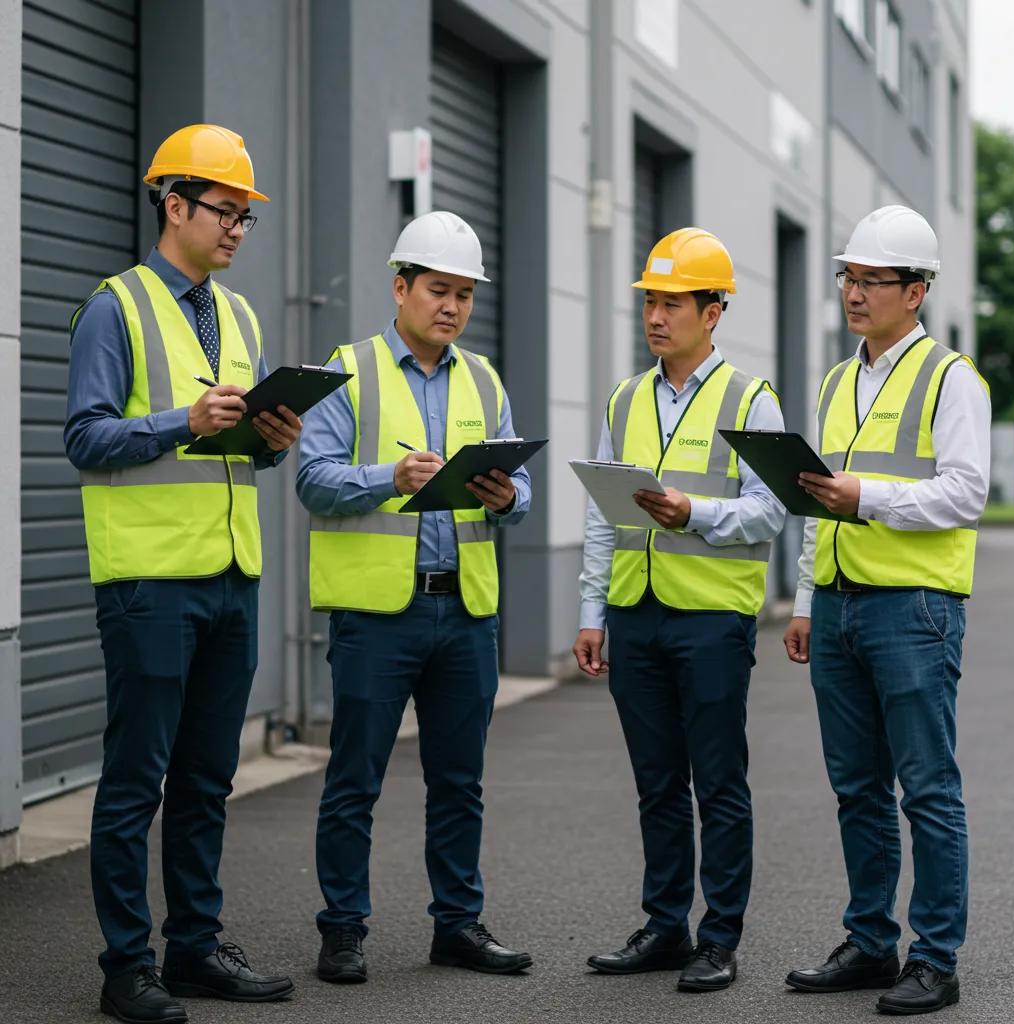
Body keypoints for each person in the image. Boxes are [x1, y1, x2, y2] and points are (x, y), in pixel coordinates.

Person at [65, 124, 301, 1023]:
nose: (239, 229)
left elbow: (233, 447)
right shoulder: (113, 308)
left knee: (207, 778)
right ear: (174, 206)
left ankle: (194, 947)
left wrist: (270, 442)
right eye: (226, 212)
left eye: (247, 217)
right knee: (136, 780)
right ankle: (127, 967)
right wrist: (180, 420)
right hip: (149, 579)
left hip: (232, 575)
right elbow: (85, 438)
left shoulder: (237, 314)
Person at [296, 210, 533, 983]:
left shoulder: (485, 379)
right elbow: (311, 479)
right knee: (354, 780)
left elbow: (520, 492)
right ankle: (342, 928)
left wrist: (505, 496)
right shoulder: (348, 368)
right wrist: (387, 479)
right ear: (400, 287)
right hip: (376, 614)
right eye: (439, 290)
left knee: (459, 782)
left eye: (465, 294)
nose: (453, 307)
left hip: (463, 612)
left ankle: (457, 924)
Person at [783, 205, 990, 1016]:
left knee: (928, 789)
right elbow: (818, 499)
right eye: (848, 275)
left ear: (917, 290)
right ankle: (871, 943)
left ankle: (934, 959)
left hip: (915, 611)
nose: (854, 291)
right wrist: (803, 599)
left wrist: (867, 497)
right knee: (857, 789)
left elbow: (966, 492)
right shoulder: (839, 380)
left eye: (872, 279)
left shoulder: (951, 379)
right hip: (838, 609)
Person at [574, 228, 785, 993]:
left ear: (714, 310)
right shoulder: (626, 398)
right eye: (650, 303)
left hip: (710, 619)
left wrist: (692, 511)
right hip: (635, 612)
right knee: (656, 782)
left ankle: (718, 937)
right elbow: (602, 514)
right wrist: (590, 612)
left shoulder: (751, 400)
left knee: (718, 783)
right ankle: (665, 927)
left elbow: (771, 511)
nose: (656, 317)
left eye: (672, 303)